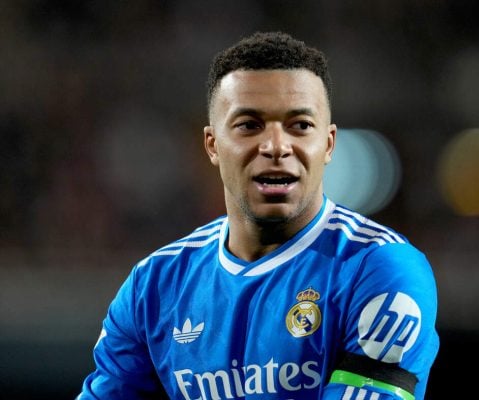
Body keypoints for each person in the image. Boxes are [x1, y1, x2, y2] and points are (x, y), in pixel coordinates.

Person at [78, 31, 439, 400]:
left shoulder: (379, 268)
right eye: (249, 125)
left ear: (328, 144)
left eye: (300, 125)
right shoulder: (154, 287)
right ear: (212, 145)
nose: (276, 146)